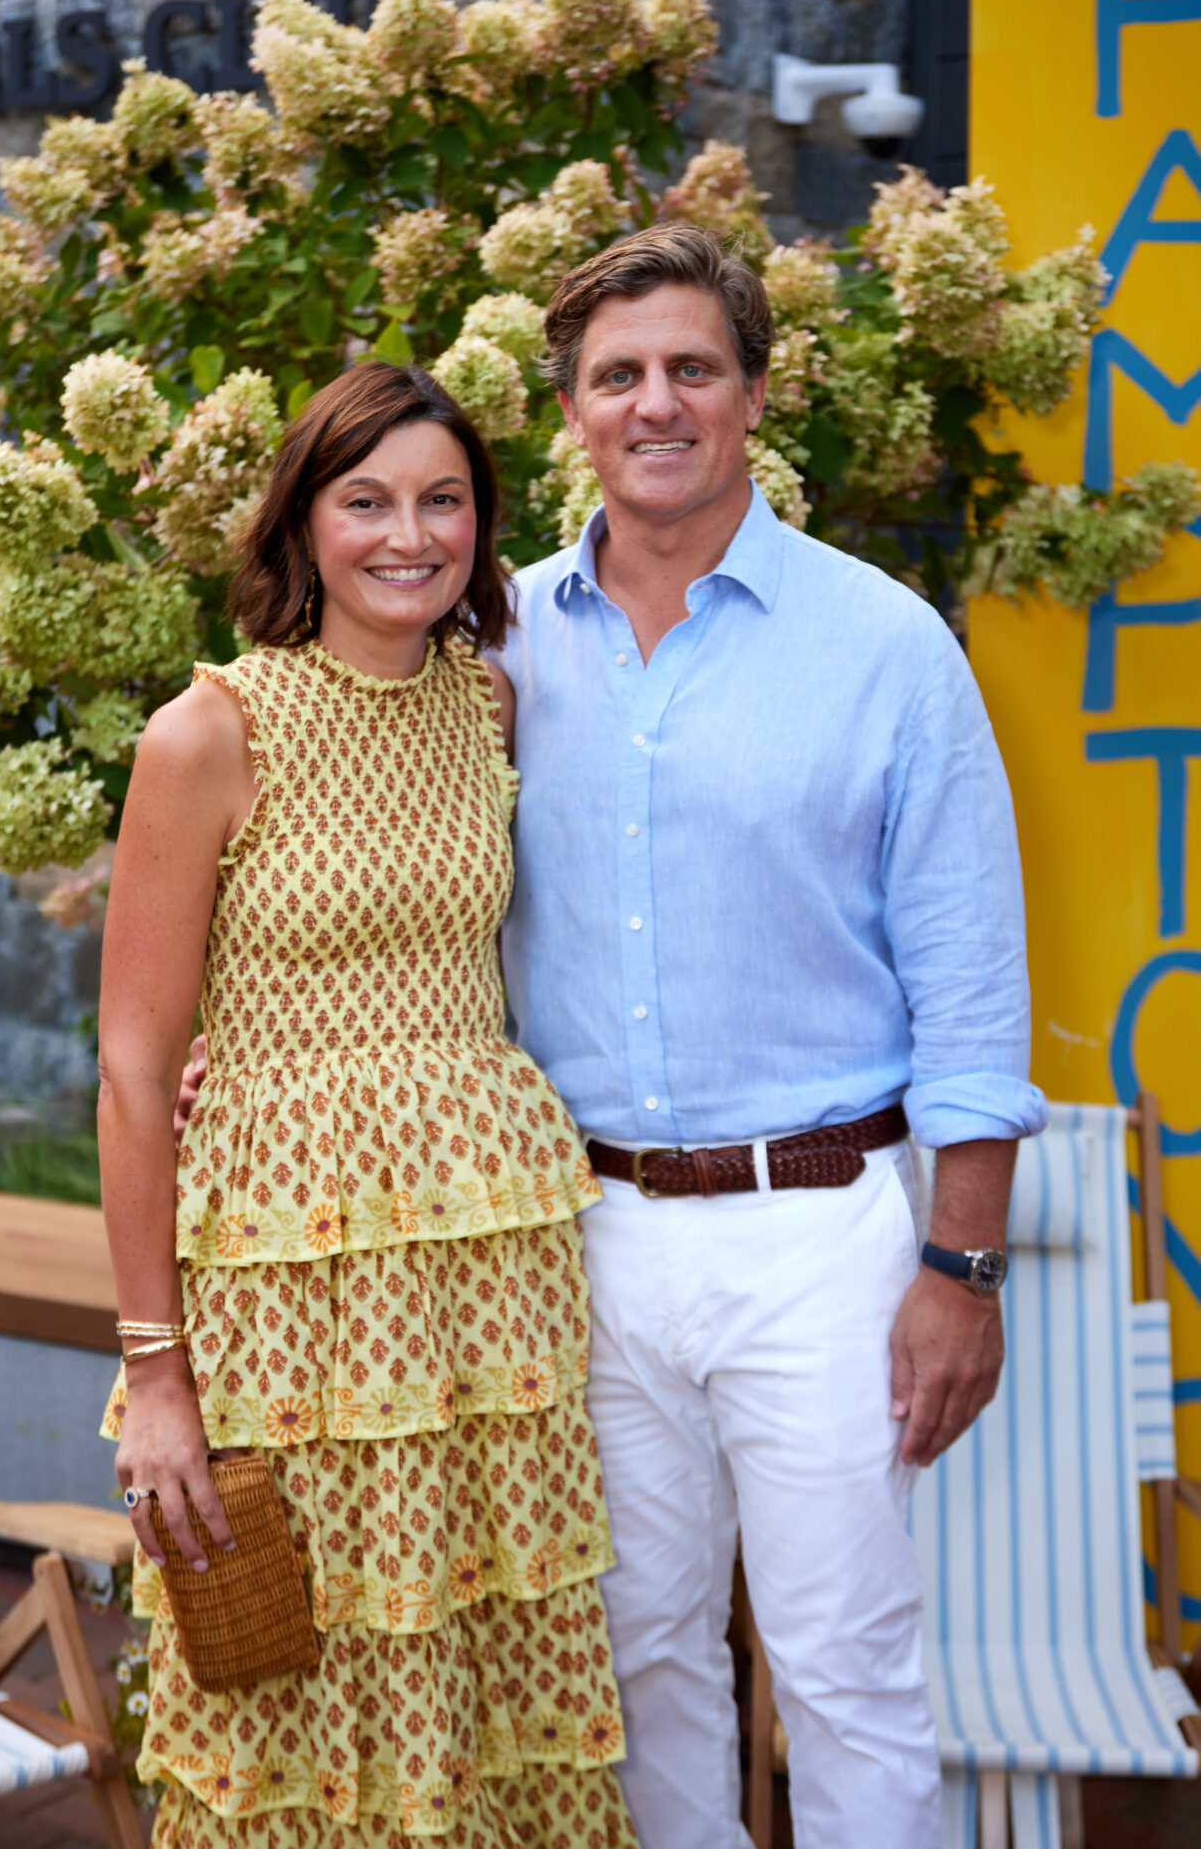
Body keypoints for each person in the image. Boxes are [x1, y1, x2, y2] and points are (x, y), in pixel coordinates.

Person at [485, 223, 1048, 1849]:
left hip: (821, 1236)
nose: (656, 403)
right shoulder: (494, 647)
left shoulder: (887, 647)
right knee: (637, 1664)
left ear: (751, 394)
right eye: (618, 375)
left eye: (693, 368)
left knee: (845, 1677)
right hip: (584, 1238)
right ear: (570, 409)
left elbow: (972, 990)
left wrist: (961, 1273)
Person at [98, 362, 637, 1849]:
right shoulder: (208, 734)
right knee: (291, 1665)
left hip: (487, 1281)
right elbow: (135, 1071)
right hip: (288, 1292)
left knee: (486, 1664)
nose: (411, 536)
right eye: (368, 501)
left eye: (443, 500)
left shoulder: (492, 705)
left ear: (481, 522)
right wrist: (155, 1373)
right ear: (303, 523)